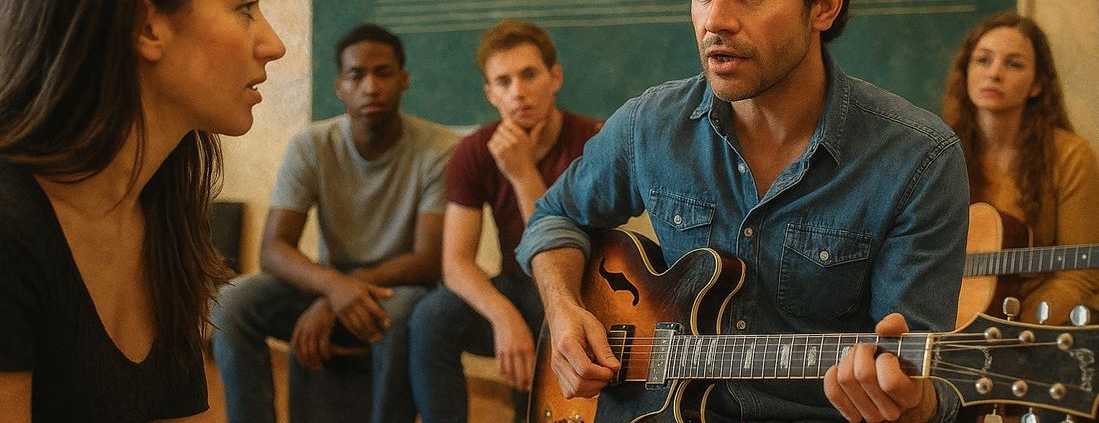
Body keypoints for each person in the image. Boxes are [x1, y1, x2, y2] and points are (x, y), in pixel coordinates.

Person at [514, 0, 971, 422]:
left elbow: (932, 379)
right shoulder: (650, 124)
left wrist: (914, 403)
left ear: (825, 8)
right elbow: (555, 217)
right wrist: (563, 310)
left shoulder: (919, 160)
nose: (715, 20)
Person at [0, 0, 284, 422]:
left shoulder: (162, 210)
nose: (273, 45)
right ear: (147, 27)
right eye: (243, 8)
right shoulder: (11, 225)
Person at [210, 23, 459, 423]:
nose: (371, 87)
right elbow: (273, 249)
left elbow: (429, 259)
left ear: (404, 79)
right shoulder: (311, 145)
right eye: (356, 75)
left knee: (406, 313)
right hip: (331, 280)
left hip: (401, 288)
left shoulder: (441, 149)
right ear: (339, 86)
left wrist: (337, 295)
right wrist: (333, 286)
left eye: (383, 72)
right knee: (232, 301)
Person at [407, 20, 602, 423]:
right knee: (430, 317)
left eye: (529, 74)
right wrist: (502, 316)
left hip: (578, 292)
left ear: (555, 77)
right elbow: (456, 264)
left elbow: (559, 249)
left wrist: (521, 173)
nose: (518, 91)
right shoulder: (475, 151)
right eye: (504, 81)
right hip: (515, 287)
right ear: (490, 93)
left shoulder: (593, 141)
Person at [942, 11, 1099, 326]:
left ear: (1038, 84)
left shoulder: (1070, 155)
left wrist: (1013, 329)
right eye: (983, 60)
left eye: (1013, 64)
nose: (994, 73)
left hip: (1036, 329)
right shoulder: (939, 153)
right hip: (954, 325)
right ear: (965, 72)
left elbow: (1080, 273)